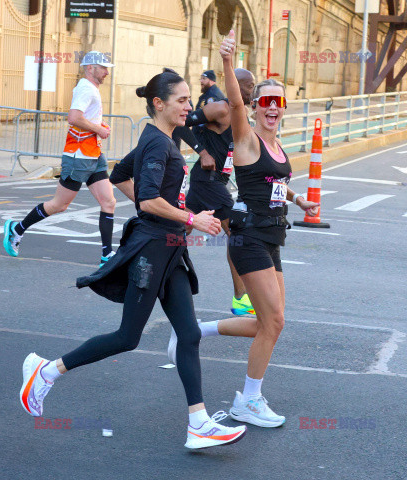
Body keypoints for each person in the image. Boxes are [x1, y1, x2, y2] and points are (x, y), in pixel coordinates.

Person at [19, 68, 247, 450]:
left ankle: (199, 423)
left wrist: (159, 214)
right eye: (181, 100)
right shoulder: (159, 144)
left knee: (188, 334)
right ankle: (46, 371)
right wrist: (190, 217)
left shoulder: (155, 138)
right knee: (128, 337)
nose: (189, 107)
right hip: (153, 251)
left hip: (169, 248)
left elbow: (122, 175)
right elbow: (146, 196)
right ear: (159, 103)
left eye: (190, 100)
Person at [168, 32, 320, 429]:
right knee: (273, 323)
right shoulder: (247, 138)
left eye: (278, 102)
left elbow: (272, 185)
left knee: (270, 321)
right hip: (249, 238)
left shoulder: (277, 145)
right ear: (255, 108)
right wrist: (227, 59)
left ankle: (192, 331)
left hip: (271, 239)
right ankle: (247, 401)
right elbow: (234, 100)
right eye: (265, 101)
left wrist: (298, 200)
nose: (272, 108)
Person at [3, 51, 117, 266]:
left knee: (108, 201)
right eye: (103, 68)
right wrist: (98, 130)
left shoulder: (90, 88)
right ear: (90, 68)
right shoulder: (85, 88)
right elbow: (73, 118)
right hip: (78, 156)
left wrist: (98, 128)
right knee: (59, 205)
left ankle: (106, 255)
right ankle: (16, 229)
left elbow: (84, 119)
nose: (106, 72)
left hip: (93, 153)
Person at [184, 68, 256, 315]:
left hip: (214, 181)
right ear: (236, 85)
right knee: (237, 231)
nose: (253, 90)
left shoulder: (241, 114)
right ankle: (240, 299)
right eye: (250, 85)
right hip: (208, 179)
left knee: (179, 228)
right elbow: (181, 122)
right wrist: (202, 152)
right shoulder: (221, 108)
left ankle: (147, 263)